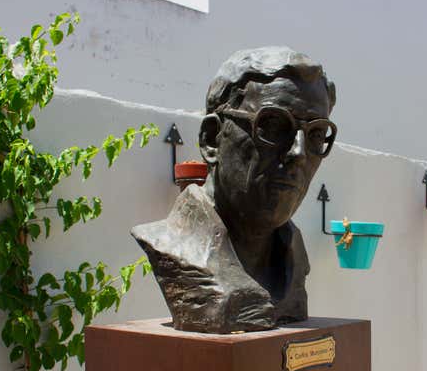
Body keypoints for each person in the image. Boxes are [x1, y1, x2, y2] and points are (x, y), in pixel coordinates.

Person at [132, 47, 337, 334]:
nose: (298, 153)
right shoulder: (174, 246)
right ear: (212, 140)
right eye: (274, 126)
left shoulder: (293, 257)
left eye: (316, 134)